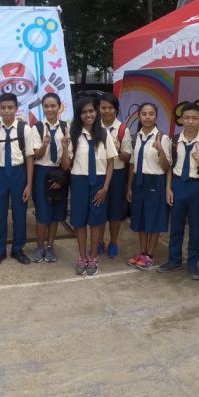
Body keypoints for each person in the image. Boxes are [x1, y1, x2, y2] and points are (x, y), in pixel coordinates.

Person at [68, 97, 117, 276]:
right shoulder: (73, 134)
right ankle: (82, 257)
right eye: (84, 112)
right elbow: (66, 165)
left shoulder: (103, 134)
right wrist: (64, 147)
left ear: (96, 112)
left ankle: (93, 256)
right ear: (78, 115)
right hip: (79, 181)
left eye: (91, 111)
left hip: (99, 182)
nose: (88, 115)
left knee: (96, 221)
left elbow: (110, 163)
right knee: (79, 221)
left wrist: (105, 188)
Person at [0, 93, 37, 266]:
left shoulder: (25, 129)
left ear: (16, 109)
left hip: (19, 173)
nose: (7, 111)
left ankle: (17, 249)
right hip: (1, 174)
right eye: (3, 108)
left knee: (20, 213)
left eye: (10, 107)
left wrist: (29, 185)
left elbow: (29, 158)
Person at [157, 103, 199, 279]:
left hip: (196, 186)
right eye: (187, 118)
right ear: (181, 119)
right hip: (177, 185)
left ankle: (193, 264)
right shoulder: (174, 141)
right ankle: (174, 259)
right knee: (176, 226)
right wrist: (168, 188)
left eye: (194, 118)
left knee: (195, 227)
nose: (190, 121)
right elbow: (170, 167)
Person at [127, 102, 171, 270]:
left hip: (155, 181)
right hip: (139, 181)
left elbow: (166, 167)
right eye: (144, 114)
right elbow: (132, 164)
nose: (147, 117)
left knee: (153, 219)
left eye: (151, 114)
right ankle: (142, 252)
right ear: (139, 116)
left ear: (156, 116)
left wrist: (160, 150)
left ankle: (150, 255)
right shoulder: (136, 137)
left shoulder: (162, 138)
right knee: (141, 218)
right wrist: (129, 187)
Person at [31, 93, 68, 263]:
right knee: (42, 212)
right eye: (46, 106)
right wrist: (45, 144)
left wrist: (65, 147)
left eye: (53, 106)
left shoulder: (66, 127)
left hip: (59, 172)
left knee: (55, 212)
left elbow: (66, 164)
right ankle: (39, 246)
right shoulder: (37, 128)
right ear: (42, 108)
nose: (50, 109)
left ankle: (50, 246)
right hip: (41, 172)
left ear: (59, 107)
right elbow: (36, 156)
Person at [99, 93, 132, 258]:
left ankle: (113, 242)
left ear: (116, 110)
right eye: (103, 108)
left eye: (110, 108)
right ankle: (98, 241)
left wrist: (118, 150)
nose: (107, 111)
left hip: (117, 174)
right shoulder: (93, 127)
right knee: (98, 210)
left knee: (115, 211)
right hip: (99, 172)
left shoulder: (122, 129)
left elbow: (128, 157)